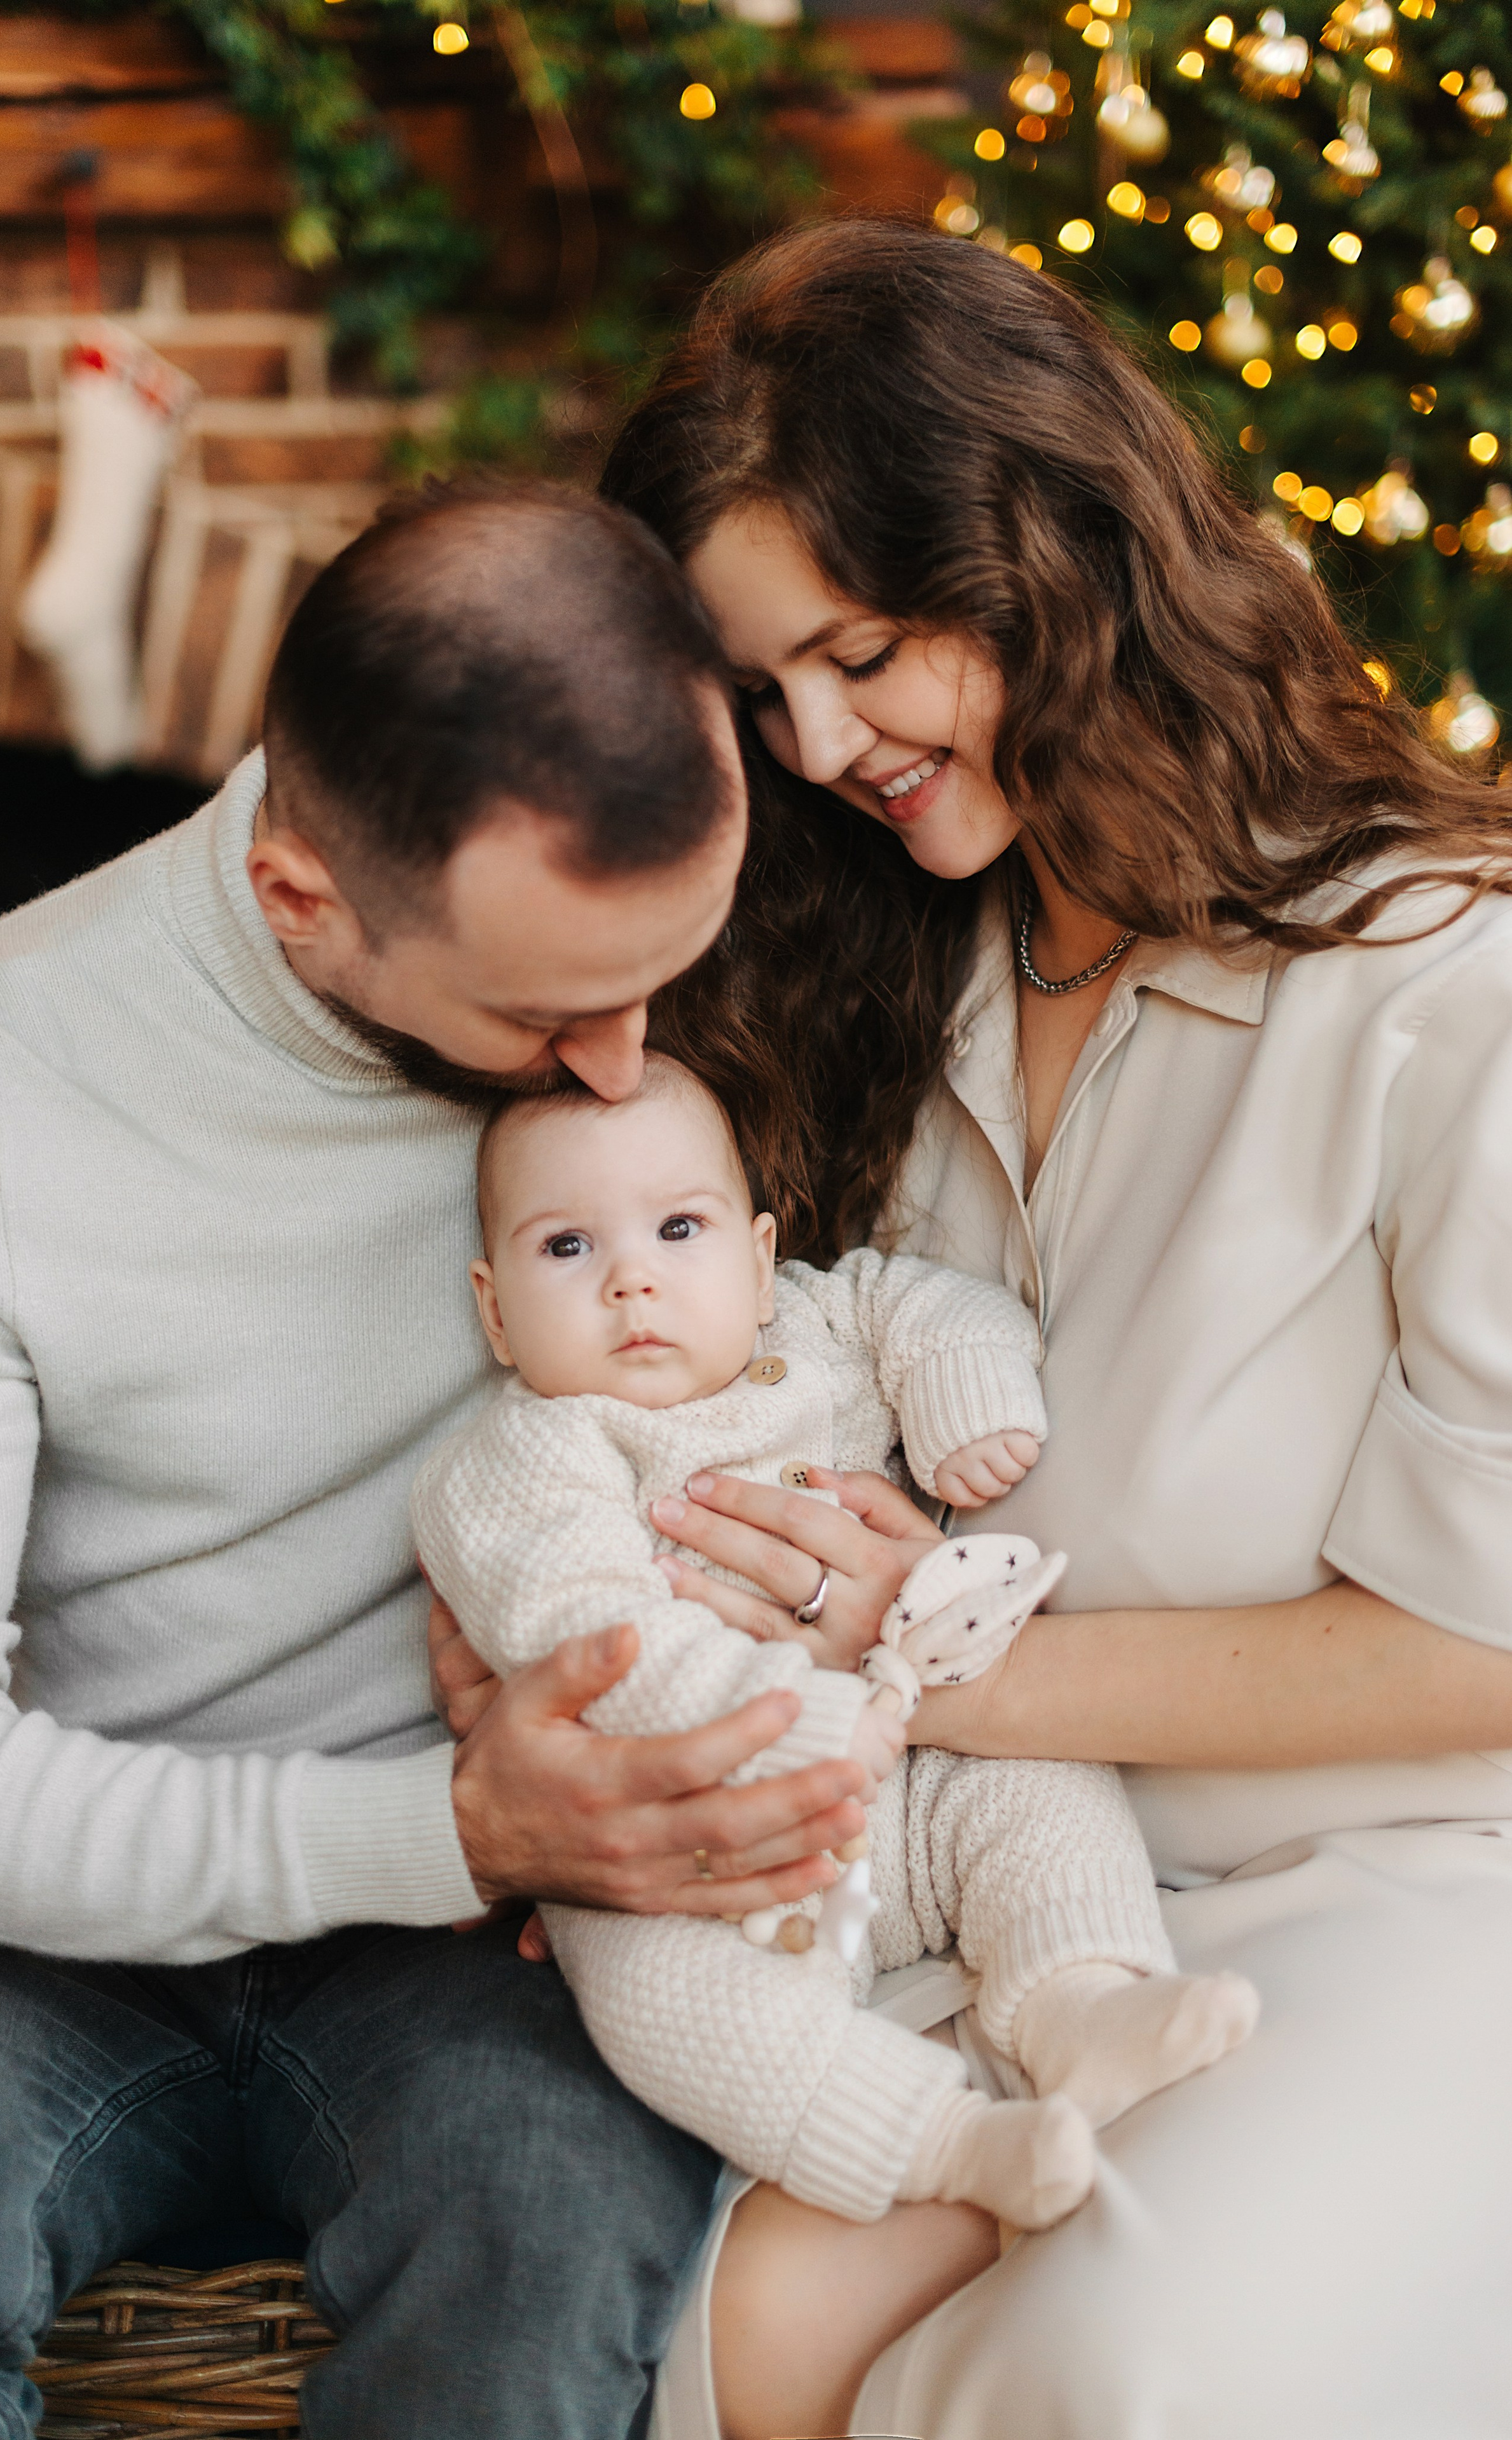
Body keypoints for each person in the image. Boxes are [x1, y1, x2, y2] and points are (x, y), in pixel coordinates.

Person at [585, 220, 1512, 2438]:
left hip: (1409, 1891)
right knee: (664, 2362)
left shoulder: (1444, 984)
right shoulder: (902, 973)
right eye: (761, 692)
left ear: (1056, 554)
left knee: (1125, 2376)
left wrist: (940, 1652)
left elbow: (1487, 1634)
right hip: (972, 1898)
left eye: (870, 650)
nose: (817, 745)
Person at [0, 476, 881, 2440]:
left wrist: (879, 1531)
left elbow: (874, 1333)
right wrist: (450, 1826)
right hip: (40, 1930)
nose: (626, 1069)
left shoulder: (651, 936)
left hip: (503, 1954)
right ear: (299, 900)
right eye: (545, 1017)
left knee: (546, 2250)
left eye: (662, 969)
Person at [414, 1055, 1260, 2231]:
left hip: (920, 1779)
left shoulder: (817, 1320)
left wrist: (968, 1388)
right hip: (709, 1856)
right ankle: (952, 2140)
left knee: (1042, 1781)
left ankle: (1083, 2004)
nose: (632, 1283)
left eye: (677, 1228)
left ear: (761, 1261)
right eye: (567, 1248)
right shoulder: (525, 1461)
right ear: (495, 1308)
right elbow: (598, 1643)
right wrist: (796, 1719)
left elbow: (929, 1302)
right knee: (666, 2001)